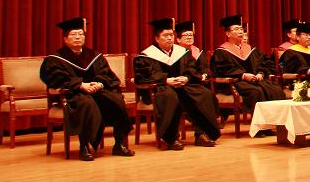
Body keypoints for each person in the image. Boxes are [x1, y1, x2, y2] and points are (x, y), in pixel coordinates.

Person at [39, 17, 135, 161]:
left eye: (81, 34)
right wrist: (80, 85)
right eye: (73, 34)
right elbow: (55, 79)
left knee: (116, 100)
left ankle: (119, 144)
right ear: (65, 39)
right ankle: (84, 147)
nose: (78, 37)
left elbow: (107, 75)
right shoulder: (55, 59)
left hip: (96, 91)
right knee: (86, 103)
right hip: (73, 94)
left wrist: (100, 83)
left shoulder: (94, 55)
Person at [134, 18, 221, 149]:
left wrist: (186, 78)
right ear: (157, 39)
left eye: (171, 35)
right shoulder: (147, 55)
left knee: (204, 94)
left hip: (182, 86)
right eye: (165, 35)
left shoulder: (181, 52)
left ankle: (201, 134)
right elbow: (144, 76)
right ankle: (170, 138)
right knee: (170, 97)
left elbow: (192, 69)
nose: (170, 38)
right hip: (160, 88)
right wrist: (165, 80)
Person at [210, 14, 284, 121]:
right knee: (256, 92)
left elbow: (266, 62)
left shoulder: (250, 49)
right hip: (236, 82)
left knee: (276, 90)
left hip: (255, 80)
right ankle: (260, 125)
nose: (240, 31)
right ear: (228, 33)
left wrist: (261, 73)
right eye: (236, 29)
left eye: (241, 29)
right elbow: (224, 70)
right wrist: (244, 75)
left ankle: (277, 122)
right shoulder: (221, 52)